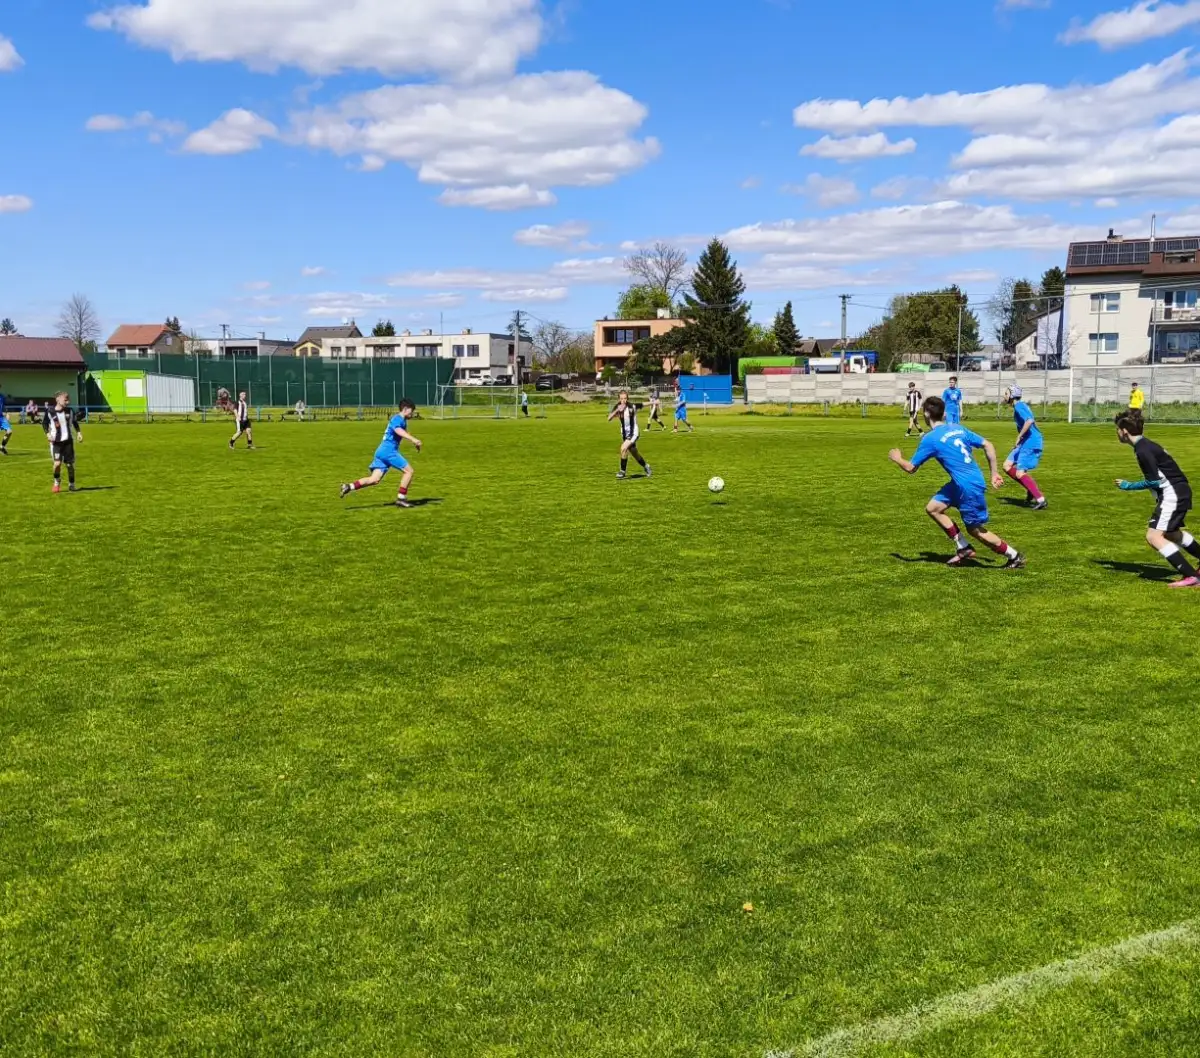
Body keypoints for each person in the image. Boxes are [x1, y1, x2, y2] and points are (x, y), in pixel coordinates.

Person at [889, 395, 1026, 569]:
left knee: (975, 530)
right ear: (944, 414)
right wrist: (994, 473)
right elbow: (988, 444)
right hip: (963, 482)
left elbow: (910, 468)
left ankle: (1014, 556)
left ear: (926, 414)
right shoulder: (958, 428)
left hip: (967, 486)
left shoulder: (930, 439)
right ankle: (964, 547)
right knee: (933, 508)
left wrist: (897, 458)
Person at [1113, 409, 1200, 588]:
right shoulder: (1146, 445)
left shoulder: (1142, 450)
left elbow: (1154, 481)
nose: (1117, 433)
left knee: (1154, 536)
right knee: (1171, 534)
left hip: (1173, 494)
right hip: (1179, 491)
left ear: (1124, 431)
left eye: (1117, 430)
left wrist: (1128, 486)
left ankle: (1192, 576)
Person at [340, 399, 423, 508]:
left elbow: (403, 431)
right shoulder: (397, 419)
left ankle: (349, 486)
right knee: (409, 471)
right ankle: (401, 499)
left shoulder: (402, 421)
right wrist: (413, 439)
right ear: (405, 409)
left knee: (374, 479)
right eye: (411, 411)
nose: (412, 413)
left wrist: (413, 441)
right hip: (388, 451)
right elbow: (398, 430)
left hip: (382, 451)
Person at [1003, 386, 1047, 510]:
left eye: (1006, 393)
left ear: (1012, 395)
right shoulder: (1020, 406)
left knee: (1020, 473)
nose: (1004, 396)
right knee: (1007, 465)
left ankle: (1040, 499)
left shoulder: (1019, 406)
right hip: (1026, 441)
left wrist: (1019, 436)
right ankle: (1030, 489)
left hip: (1031, 442)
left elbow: (1029, 421)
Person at [43, 391, 83, 494]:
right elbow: (44, 423)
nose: (68, 402)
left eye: (68, 400)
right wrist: (47, 434)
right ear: (58, 399)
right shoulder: (50, 411)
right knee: (57, 464)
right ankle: (56, 482)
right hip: (56, 442)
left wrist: (79, 433)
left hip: (68, 441)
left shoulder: (70, 411)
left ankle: (72, 484)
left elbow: (74, 422)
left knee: (69, 464)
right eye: (65, 400)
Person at [608, 390, 652, 480]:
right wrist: (617, 410)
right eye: (621, 398)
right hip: (625, 434)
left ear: (627, 399)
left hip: (634, 433)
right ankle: (646, 466)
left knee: (623, 448)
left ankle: (622, 472)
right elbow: (609, 418)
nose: (623, 400)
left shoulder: (632, 406)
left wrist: (653, 402)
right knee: (635, 454)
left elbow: (642, 404)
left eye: (625, 398)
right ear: (619, 399)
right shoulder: (617, 407)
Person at [0, 390, 11, 455]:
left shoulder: (2, 397)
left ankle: (2, 447)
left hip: (1, 418)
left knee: (9, 431)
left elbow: (4, 406)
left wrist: (7, 413)